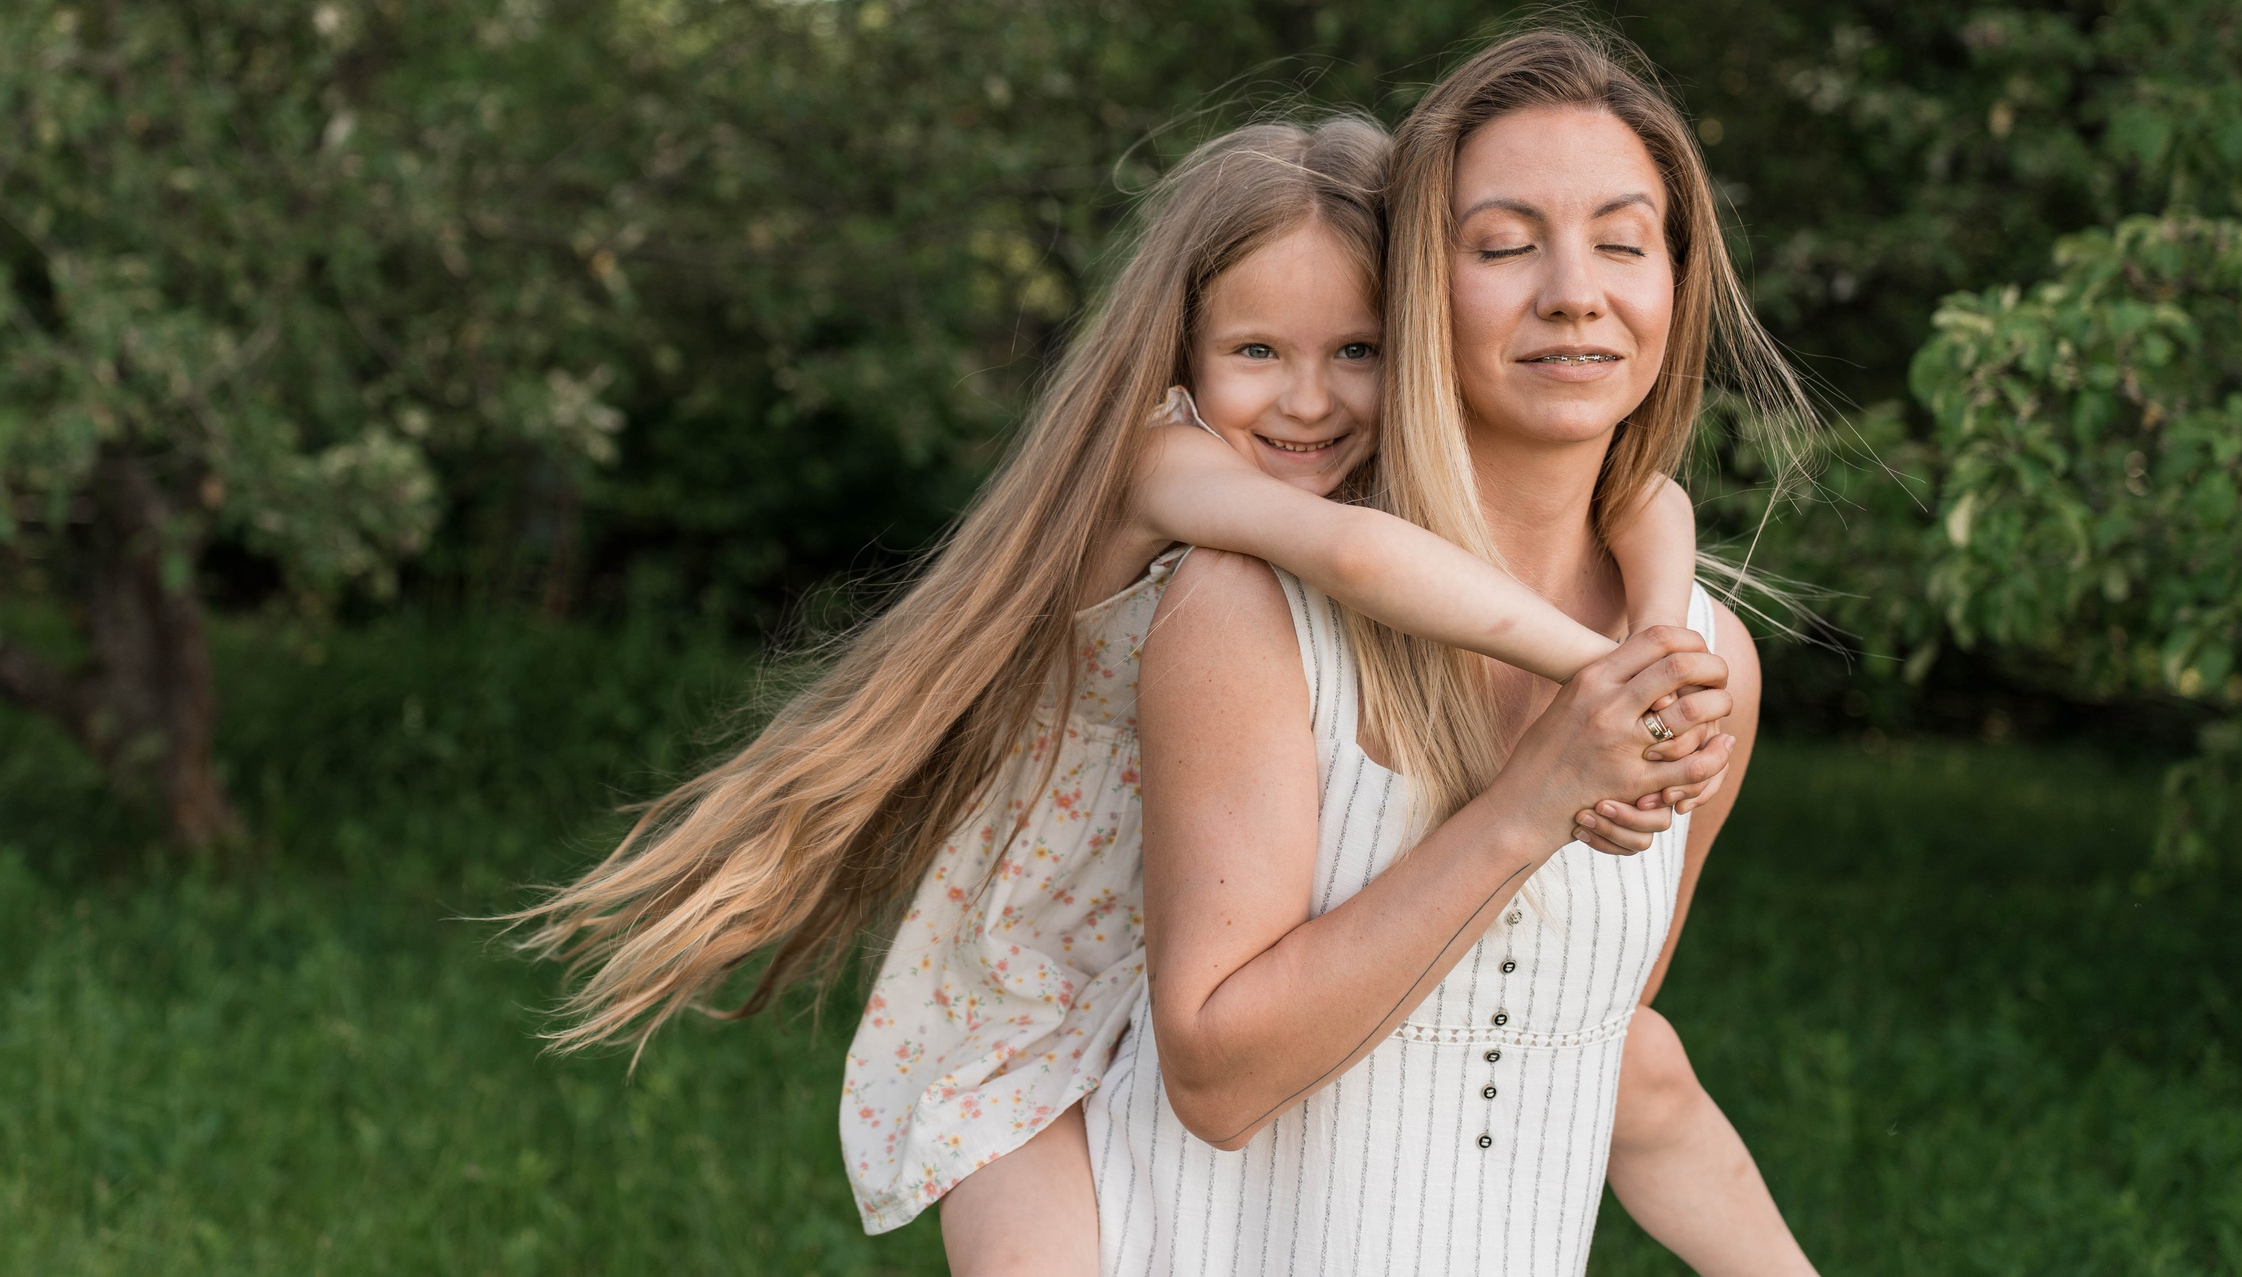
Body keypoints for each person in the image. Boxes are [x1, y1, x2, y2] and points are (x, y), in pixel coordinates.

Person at [508, 117, 1724, 1225]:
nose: (1310, 398)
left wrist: (1656, 636)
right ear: (1182, 353)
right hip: (1028, 1007)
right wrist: (1603, 683)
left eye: (1357, 349)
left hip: (1177, 959)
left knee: (1646, 1061)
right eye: (1257, 349)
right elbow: (1355, 552)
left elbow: (1648, 496)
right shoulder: (1169, 468)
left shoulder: (1340, 504)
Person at [1085, 27, 1818, 1275]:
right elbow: (1215, 1076)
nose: (1572, 289)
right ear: (1418, 284)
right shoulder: (1251, 610)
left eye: (1622, 241)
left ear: (1676, 286)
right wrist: (1531, 804)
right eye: (1505, 244)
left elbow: (1607, 1049)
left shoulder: (1704, 662)